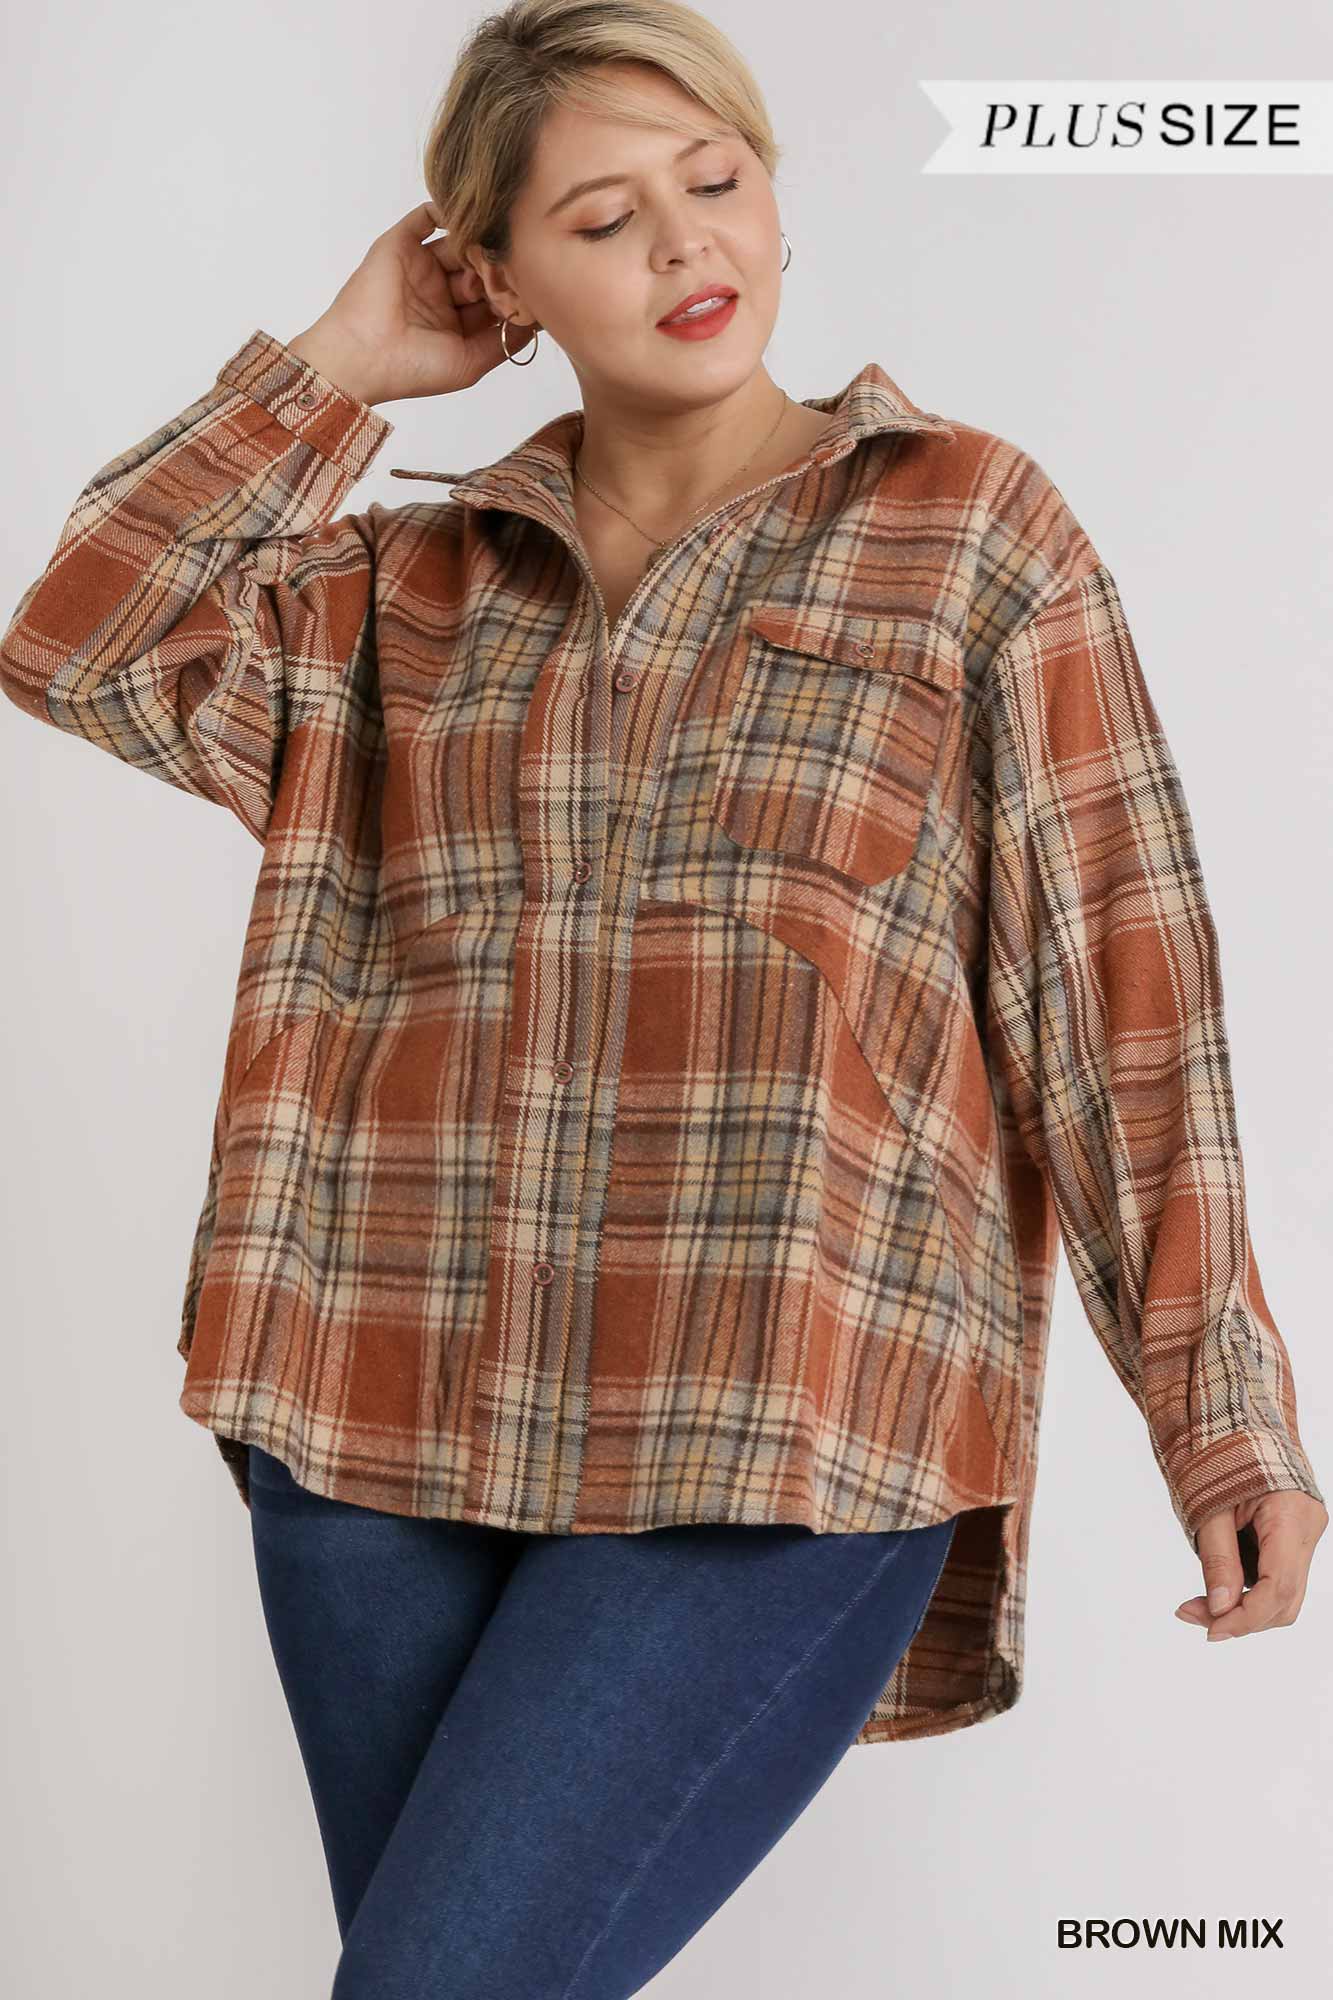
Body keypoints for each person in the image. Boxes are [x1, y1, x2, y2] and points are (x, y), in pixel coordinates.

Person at [1, 3, 1323, 1995]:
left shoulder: (969, 532)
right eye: (602, 218)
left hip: (781, 1415)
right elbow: (82, 649)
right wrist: (337, 366)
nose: (685, 244)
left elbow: (1116, 988)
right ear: (496, 276)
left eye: (714, 180)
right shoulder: (398, 587)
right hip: (370, 1404)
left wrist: (1218, 1418)